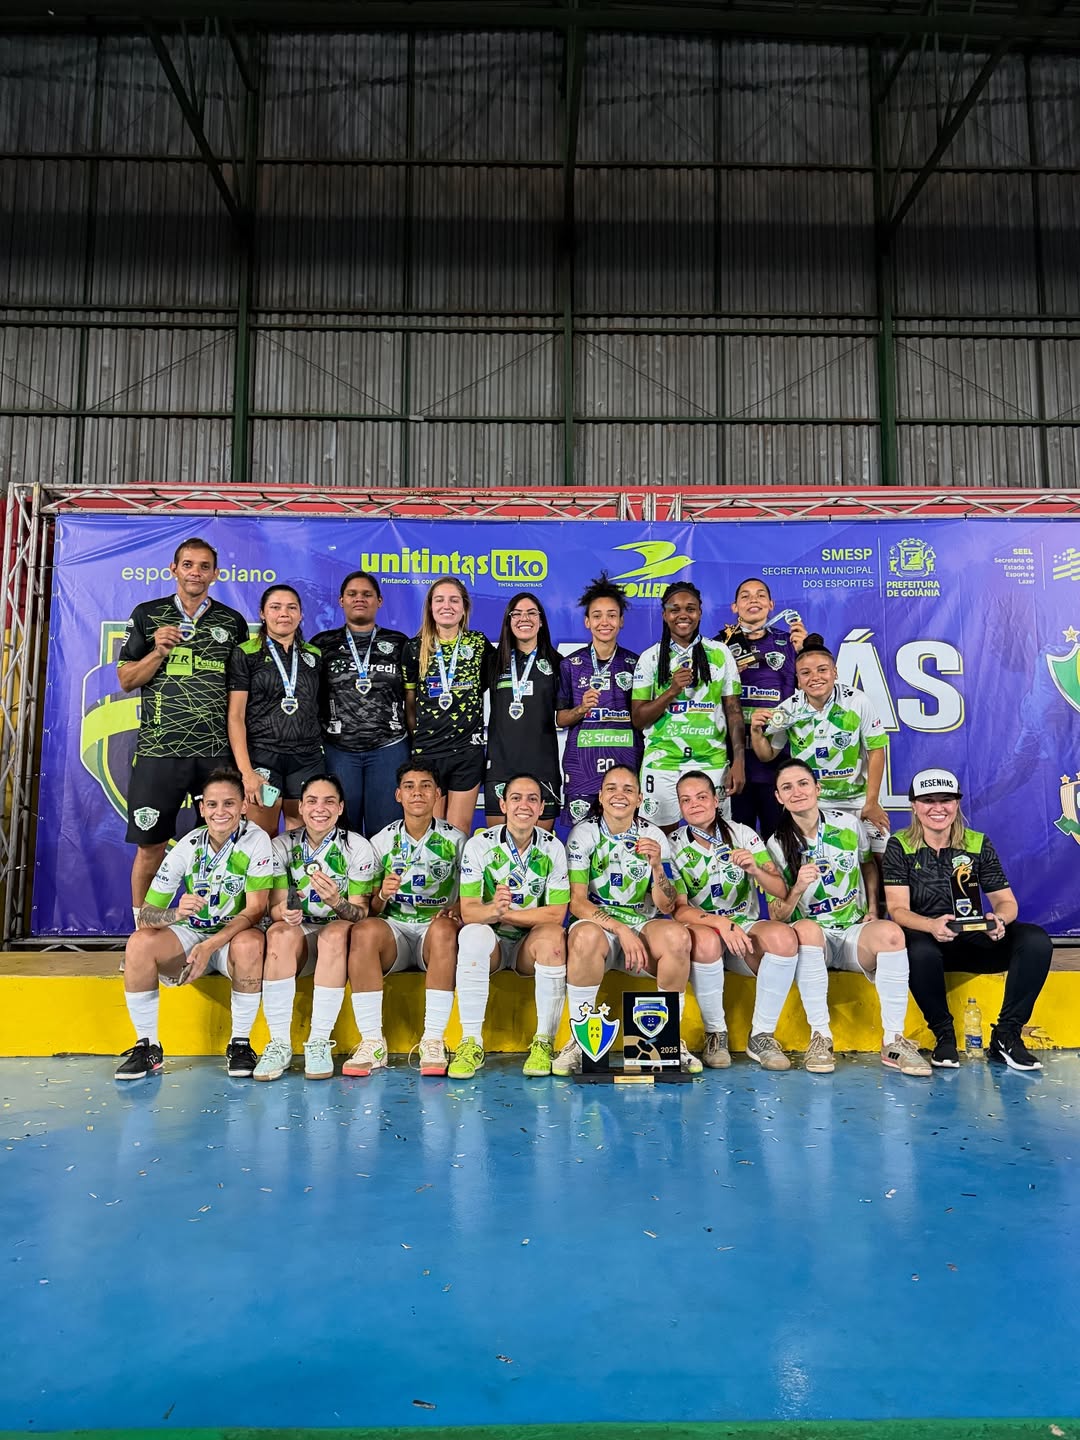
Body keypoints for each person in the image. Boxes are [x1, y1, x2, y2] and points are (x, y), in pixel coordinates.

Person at [766, 759, 931, 1077]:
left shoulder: (848, 825)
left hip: (853, 932)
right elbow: (778, 914)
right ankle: (821, 1037)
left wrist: (873, 909)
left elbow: (868, 865)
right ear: (778, 797)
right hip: (814, 941)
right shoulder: (776, 844)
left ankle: (894, 1041)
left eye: (803, 783)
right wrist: (798, 887)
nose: (797, 792)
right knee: (806, 929)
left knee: (892, 934)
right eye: (787, 787)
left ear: (817, 788)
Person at [883, 768, 1052, 1071]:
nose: (938, 808)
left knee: (1035, 940)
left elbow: (1006, 902)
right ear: (914, 806)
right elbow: (897, 910)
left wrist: (999, 920)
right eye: (928, 800)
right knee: (917, 948)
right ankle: (944, 1036)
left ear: (957, 803)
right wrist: (931, 925)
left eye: (945, 800)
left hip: (972, 938)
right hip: (927, 942)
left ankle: (1006, 1035)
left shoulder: (977, 843)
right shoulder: (900, 844)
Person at [117, 537, 248, 922]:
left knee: (222, 843)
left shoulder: (232, 622)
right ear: (173, 569)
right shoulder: (147, 615)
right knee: (150, 847)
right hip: (159, 752)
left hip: (215, 755)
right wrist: (158, 651)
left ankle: (215, 926)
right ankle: (142, 930)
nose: (196, 572)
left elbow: (241, 692)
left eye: (204, 566)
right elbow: (126, 680)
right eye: (188, 565)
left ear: (215, 574)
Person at [113, 768, 274, 1081]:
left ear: (243, 806)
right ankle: (148, 1046)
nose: (220, 812)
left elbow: (255, 911)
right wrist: (175, 914)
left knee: (251, 942)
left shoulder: (257, 840)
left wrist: (209, 946)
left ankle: (240, 1044)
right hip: (192, 934)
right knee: (139, 943)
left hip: (232, 939)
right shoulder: (188, 845)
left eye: (229, 803)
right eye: (212, 804)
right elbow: (146, 915)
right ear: (202, 808)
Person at [669, 770, 833, 1073]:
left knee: (784, 937)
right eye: (686, 800)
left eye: (701, 797)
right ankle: (716, 1034)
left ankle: (761, 1036)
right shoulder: (673, 844)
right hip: (703, 929)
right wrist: (721, 924)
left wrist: (756, 870)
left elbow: (780, 890)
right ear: (679, 806)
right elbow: (679, 910)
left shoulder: (743, 834)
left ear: (716, 800)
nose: (694, 805)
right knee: (706, 940)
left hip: (744, 927)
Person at [554, 765, 701, 1075]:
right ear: (600, 796)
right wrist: (620, 929)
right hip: (601, 926)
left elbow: (667, 905)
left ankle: (668, 1040)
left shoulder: (653, 835)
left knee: (678, 937)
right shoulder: (584, 833)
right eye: (611, 788)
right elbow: (577, 902)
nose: (619, 795)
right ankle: (580, 1041)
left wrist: (657, 866)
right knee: (583, 936)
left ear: (639, 799)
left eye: (627, 789)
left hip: (643, 923)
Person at [343, 762, 465, 1077]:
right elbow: (371, 908)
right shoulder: (381, 841)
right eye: (409, 786)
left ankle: (433, 1040)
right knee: (363, 931)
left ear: (438, 794)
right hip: (394, 932)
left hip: (433, 935)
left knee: (445, 930)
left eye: (426, 786)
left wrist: (457, 909)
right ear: (398, 795)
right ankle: (372, 1041)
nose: (417, 793)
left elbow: (472, 895)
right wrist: (383, 895)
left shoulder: (457, 840)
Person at [254, 775, 377, 1082]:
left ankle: (319, 1041)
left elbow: (361, 914)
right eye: (311, 801)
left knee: (335, 932)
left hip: (338, 939)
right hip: (301, 937)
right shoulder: (281, 845)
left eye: (329, 801)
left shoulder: (357, 847)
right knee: (278, 932)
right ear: (300, 806)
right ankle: (279, 1044)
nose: (319, 809)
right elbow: (274, 907)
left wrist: (337, 902)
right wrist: (285, 912)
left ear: (340, 808)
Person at [454, 773, 570, 1078]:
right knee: (472, 934)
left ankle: (544, 1042)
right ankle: (471, 1043)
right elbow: (469, 912)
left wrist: (501, 913)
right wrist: (491, 912)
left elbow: (556, 914)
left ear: (542, 807)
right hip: (491, 943)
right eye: (516, 798)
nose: (524, 805)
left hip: (527, 947)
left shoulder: (553, 848)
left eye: (532, 799)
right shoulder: (479, 845)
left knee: (553, 938)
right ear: (503, 805)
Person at [750, 640, 890, 854]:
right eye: (805, 673)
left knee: (881, 856)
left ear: (835, 673)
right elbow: (767, 755)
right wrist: (756, 732)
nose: (815, 677)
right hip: (814, 801)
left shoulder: (857, 702)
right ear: (798, 680)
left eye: (822, 670)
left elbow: (876, 750)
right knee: (816, 860)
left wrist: (871, 802)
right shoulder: (788, 710)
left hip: (858, 799)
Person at [630, 582, 744, 832]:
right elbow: (638, 719)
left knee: (714, 837)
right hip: (662, 762)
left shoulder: (721, 653)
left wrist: (739, 761)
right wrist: (671, 691)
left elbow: (734, 712)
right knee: (658, 840)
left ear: (700, 613)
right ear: (664, 615)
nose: (683, 615)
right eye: (675, 609)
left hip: (711, 762)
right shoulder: (650, 657)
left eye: (690, 609)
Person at [311, 571, 410, 837]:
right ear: (341, 600)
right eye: (352, 594)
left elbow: (413, 696)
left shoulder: (399, 643)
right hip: (339, 750)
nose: (359, 599)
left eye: (367, 594)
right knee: (342, 832)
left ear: (379, 601)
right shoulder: (322, 644)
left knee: (386, 833)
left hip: (389, 748)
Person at [227, 584, 323, 835]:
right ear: (262, 613)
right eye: (275, 607)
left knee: (302, 839)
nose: (284, 614)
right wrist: (246, 772)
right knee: (262, 836)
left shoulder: (314, 655)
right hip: (263, 757)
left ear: (301, 614)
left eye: (292, 608)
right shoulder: (245, 654)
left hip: (306, 759)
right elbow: (236, 716)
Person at [403, 578, 496, 835]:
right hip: (428, 750)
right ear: (430, 607)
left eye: (454, 600)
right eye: (440, 600)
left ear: (464, 608)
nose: (447, 606)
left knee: (459, 829)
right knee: (430, 830)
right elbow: (410, 703)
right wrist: (419, 737)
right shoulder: (414, 648)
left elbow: (484, 687)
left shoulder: (478, 644)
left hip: (466, 751)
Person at [716, 578, 806, 840]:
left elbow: (813, 693)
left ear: (771, 604)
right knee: (737, 843)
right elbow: (702, 697)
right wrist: (725, 672)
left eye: (760, 595)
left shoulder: (790, 642)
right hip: (732, 763)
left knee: (779, 842)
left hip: (777, 762)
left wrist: (803, 651)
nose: (753, 600)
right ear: (734, 607)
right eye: (745, 596)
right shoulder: (718, 646)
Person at [556, 571, 643, 826]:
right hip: (582, 768)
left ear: (621, 621)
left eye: (611, 615)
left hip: (625, 764)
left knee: (624, 836)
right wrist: (581, 708)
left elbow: (644, 717)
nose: (604, 622)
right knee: (581, 839)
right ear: (587, 622)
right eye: (597, 616)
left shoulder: (636, 663)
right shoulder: (570, 664)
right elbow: (560, 719)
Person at [484, 594, 563, 828]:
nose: (524, 618)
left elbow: (566, 714)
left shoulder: (558, 663)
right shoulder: (493, 662)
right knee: (498, 845)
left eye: (531, 613)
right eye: (516, 614)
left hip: (543, 768)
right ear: (508, 621)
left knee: (540, 846)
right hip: (501, 767)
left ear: (541, 621)